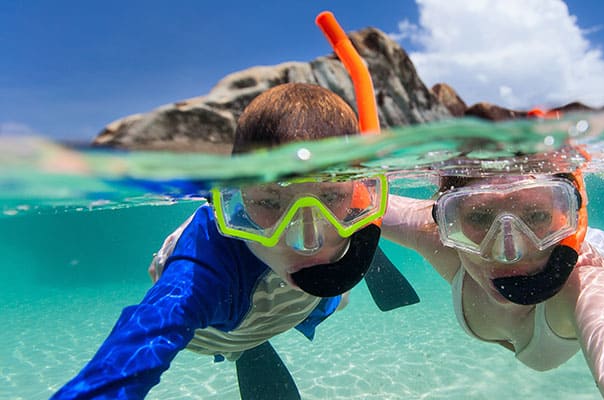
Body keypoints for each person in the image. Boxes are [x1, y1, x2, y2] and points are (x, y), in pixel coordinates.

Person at [52, 82, 390, 399]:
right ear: (232, 199)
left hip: (301, 302)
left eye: (330, 198)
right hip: (221, 329)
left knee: (337, 296)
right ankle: (243, 349)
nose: (307, 241)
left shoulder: (354, 208)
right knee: (250, 333)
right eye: (270, 202)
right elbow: (136, 348)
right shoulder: (203, 271)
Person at [381, 151, 604, 399]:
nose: (509, 252)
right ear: (447, 221)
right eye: (479, 216)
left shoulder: (587, 286)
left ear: (570, 215)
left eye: (535, 214)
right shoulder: (439, 238)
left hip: (601, 256)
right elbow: (360, 201)